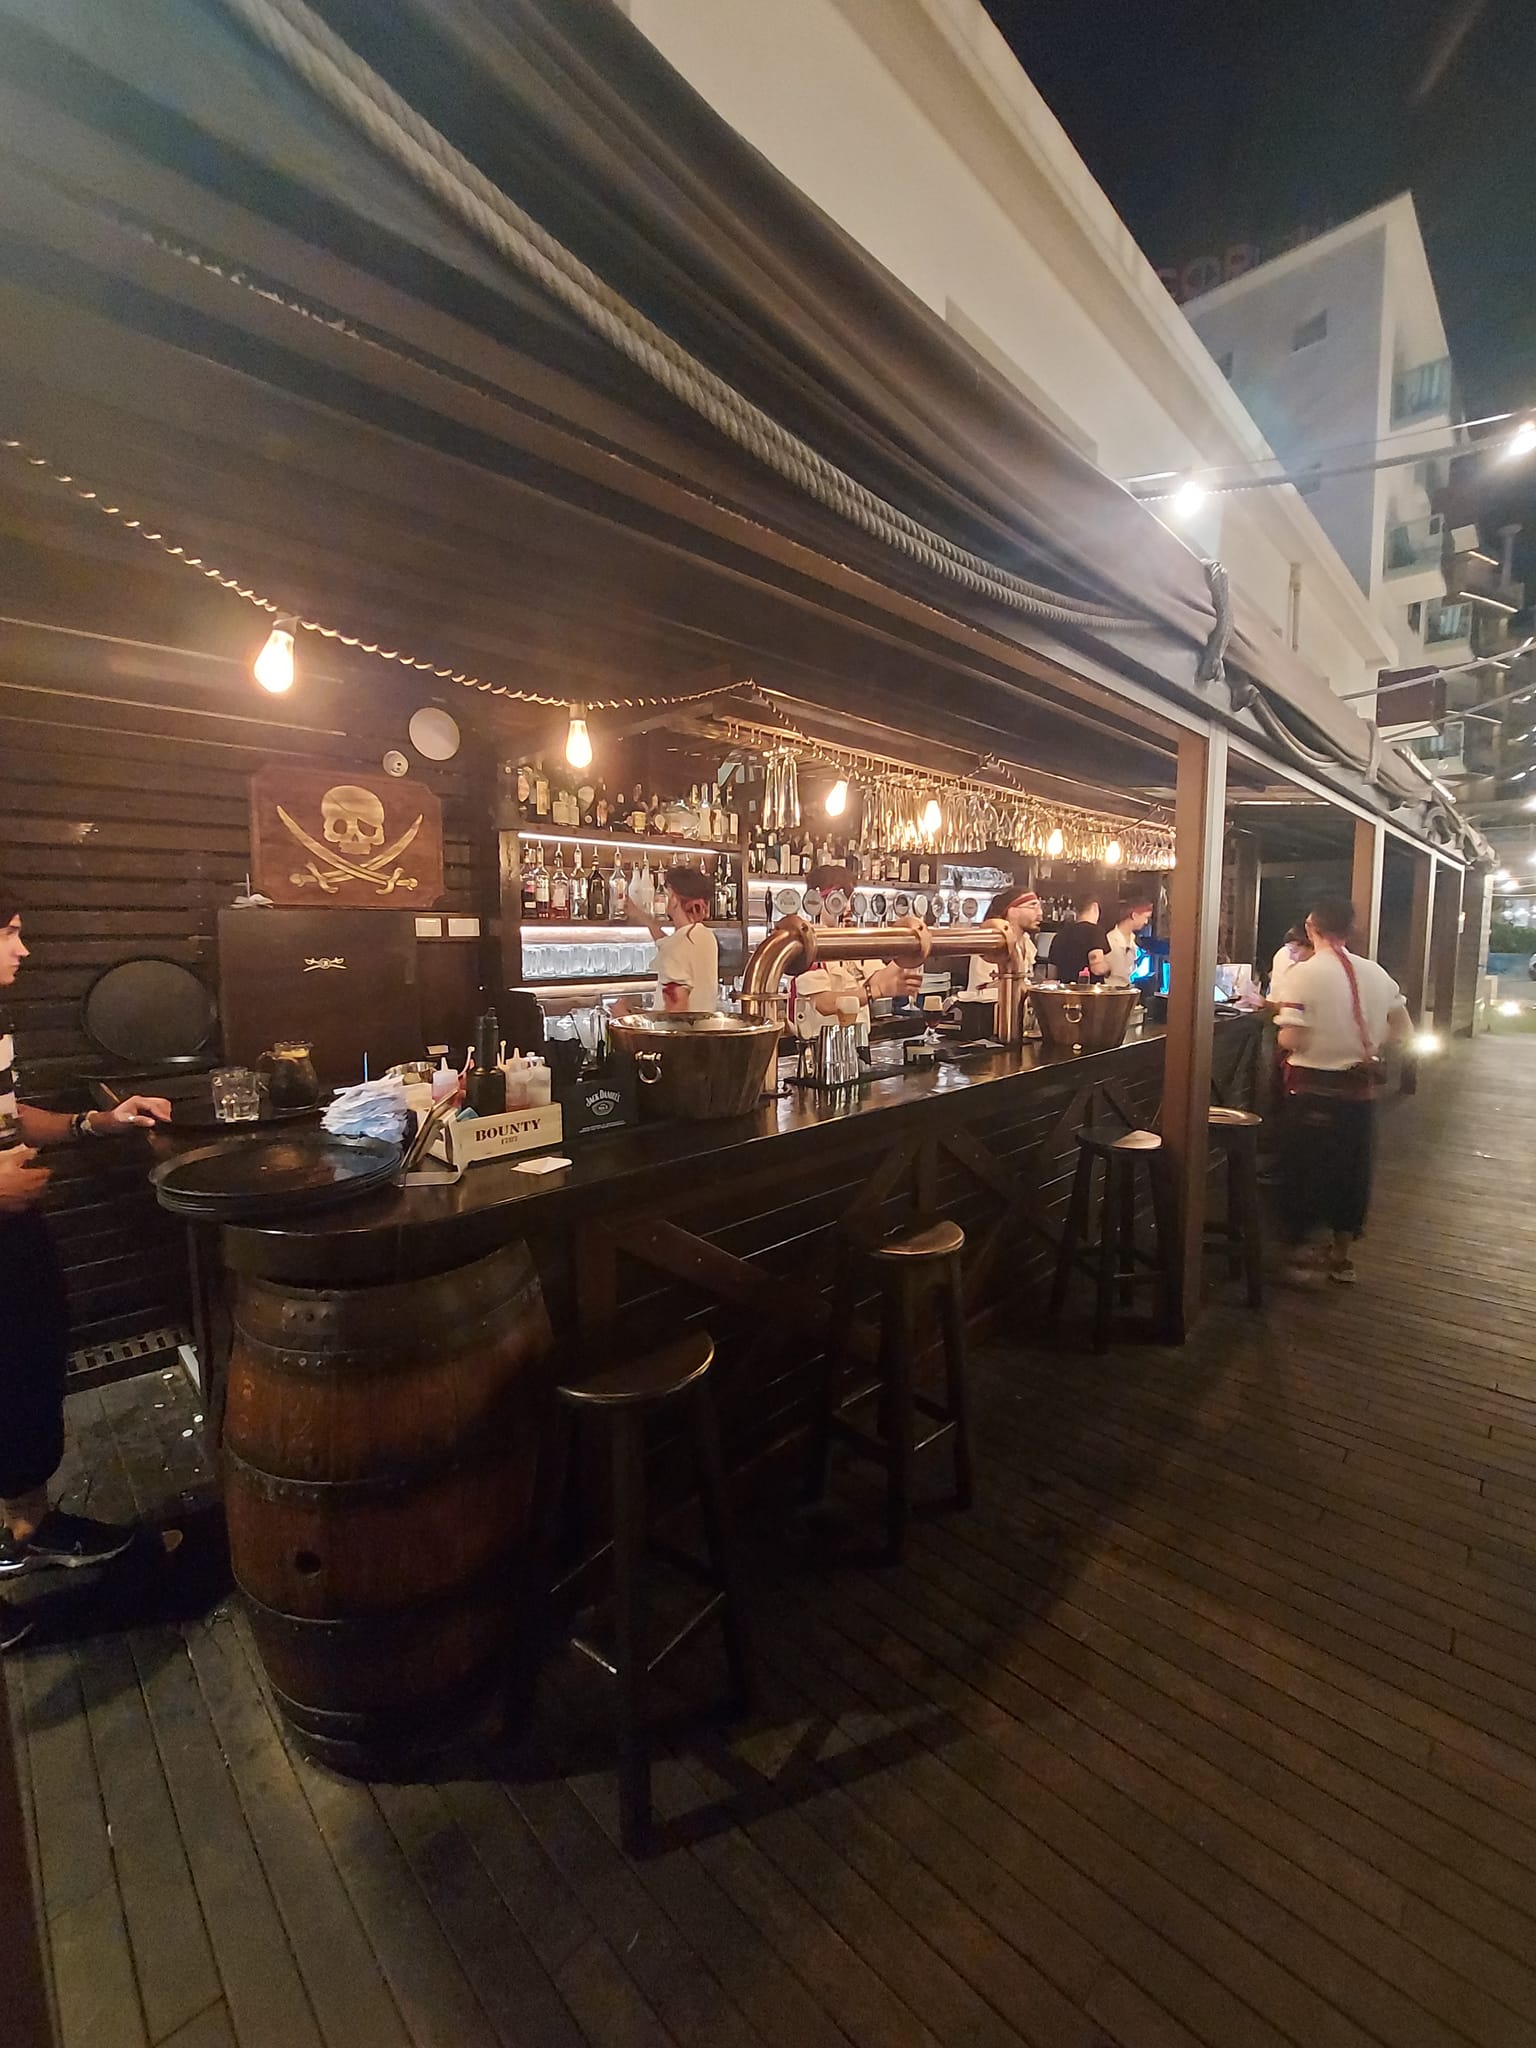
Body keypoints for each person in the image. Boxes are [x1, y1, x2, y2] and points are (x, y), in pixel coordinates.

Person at [0, 890, 172, 1650]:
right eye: (10, 933)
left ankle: (27, 1528)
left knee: (26, 1376)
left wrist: (93, 1121)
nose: (24, 949)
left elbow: (11, 1118)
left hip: (17, 1235)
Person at [1273, 893, 1410, 1287]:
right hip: (1360, 1091)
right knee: (1352, 1172)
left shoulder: (1304, 974)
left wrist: (1281, 1032)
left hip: (1313, 1090)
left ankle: (1299, 1255)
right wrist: (1369, 1044)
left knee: (1305, 1170)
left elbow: (1293, 1038)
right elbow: (1404, 1030)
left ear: (1311, 928)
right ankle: (1340, 1257)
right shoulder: (1377, 973)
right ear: (1351, 930)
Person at [790, 864, 922, 1030]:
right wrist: (874, 991)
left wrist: (912, 942)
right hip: (821, 1042)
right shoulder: (807, 943)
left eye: (852, 900)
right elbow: (824, 1003)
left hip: (859, 1040)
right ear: (815, 900)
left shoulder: (854, 940)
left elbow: (880, 977)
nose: (848, 908)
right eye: (838, 900)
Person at [629, 865, 719, 1013]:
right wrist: (643, 918)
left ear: (674, 899)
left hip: (681, 1028)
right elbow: (668, 945)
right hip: (704, 1026)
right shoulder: (704, 936)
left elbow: (675, 1014)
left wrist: (628, 1015)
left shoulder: (679, 946)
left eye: (667, 893)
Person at [965, 886, 1044, 995]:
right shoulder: (993, 942)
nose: (1040, 913)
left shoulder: (1026, 941)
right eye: (1033, 906)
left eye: (1040, 907)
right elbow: (983, 989)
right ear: (1012, 911)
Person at [1045, 894, 1111, 984]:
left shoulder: (1061, 934)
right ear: (1095, 907)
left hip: (1064, 990)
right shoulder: (1095, 931)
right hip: (1088, 990)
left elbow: (1051, 974)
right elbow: (1097, 968)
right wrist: (1109, 968)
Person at [1104, 896, 1154, 986]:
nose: (1146, 922)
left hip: (1127, 988)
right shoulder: (1110, 940)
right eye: (1145, 917)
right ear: (1134, 916)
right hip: (1111, 989)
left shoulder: (1133, 940)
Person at [1269, 924, 1314, 1003]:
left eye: (1294, 951)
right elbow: (1275, 994)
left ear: (1312, 947)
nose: (1290, 957)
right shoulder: (1282, 955)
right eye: (1289, 950)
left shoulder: (1322, 965)